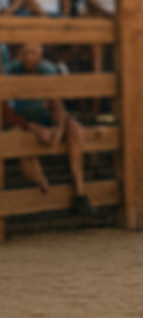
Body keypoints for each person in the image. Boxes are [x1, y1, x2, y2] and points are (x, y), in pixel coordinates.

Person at [4, 43, 92, 215]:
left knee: (76, 129)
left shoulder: (47, 69)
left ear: (40, 55)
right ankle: (44, 190)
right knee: (19, 140)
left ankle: (80, 193)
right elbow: (6, 110)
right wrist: (33, 127)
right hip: (21, 122)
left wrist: (58, 131)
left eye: (34, 53)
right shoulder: (11, 70)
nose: (30, 57)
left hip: (44, 119)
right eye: (27, 52)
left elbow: (56, 103)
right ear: (20, 54)